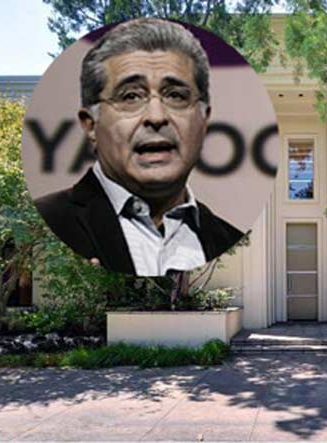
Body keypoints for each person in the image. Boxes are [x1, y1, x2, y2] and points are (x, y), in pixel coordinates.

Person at [35, 18, 244, 276]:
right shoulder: (52, 220)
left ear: (203, 120)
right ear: (90, 124)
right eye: (131, 96)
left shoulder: (226, 237)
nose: (156, 117)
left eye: (176, 95)